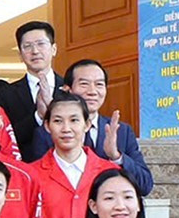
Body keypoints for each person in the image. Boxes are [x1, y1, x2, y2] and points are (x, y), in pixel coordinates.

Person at [28, 93, 118, 218]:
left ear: (87, 124)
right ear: (47, 126)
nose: (66, 128)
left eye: (74, 120)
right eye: (58, 121)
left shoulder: (110, 173)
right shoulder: (30, 176)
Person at [63, 58, 153, 192]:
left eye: (99, 84)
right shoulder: (52, 131)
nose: (92, 91)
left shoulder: (122, 132)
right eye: (84, 84)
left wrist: (116, 157)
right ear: (68, 90)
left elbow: (145, 185)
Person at [0, 20, 59, 159]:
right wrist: (38, 117)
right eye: (27, 46)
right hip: (24, 169)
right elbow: (7, 137)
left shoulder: (70, 88)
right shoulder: (6, 94)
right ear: (20, 54)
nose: (35, 51)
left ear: (53, 49)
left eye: (41, 44)